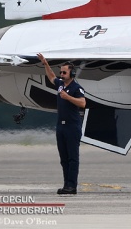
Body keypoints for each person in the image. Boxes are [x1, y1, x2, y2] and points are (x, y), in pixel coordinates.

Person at [38, 53, 87, 195]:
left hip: (72, 126)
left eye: (64, 72)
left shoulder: (76, 88)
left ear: (71, 73)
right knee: (64, 158)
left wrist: (68, 97)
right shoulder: (60, 85)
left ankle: (72, 185)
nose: (61, 74)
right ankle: (66, 185)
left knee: (72, 158)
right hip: (61, 126)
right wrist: (45, 64)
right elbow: (51, 77)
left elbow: (83, 103)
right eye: (61, 72)